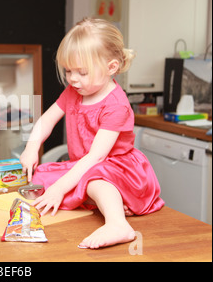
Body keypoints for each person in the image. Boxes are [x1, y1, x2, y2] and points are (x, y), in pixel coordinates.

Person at [20, 17, 164, 249]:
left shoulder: (116, 105)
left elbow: (97, 157)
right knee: (43, 177)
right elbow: (47, 119)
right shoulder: (74, 91)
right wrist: (31, 147)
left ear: (111, 67)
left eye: (82, 72)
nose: (73, 79)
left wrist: (59, 189)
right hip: (86, 164)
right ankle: (110, 203)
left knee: (93, 180)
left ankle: (118, 224)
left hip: (117, 168)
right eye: (68, 71)